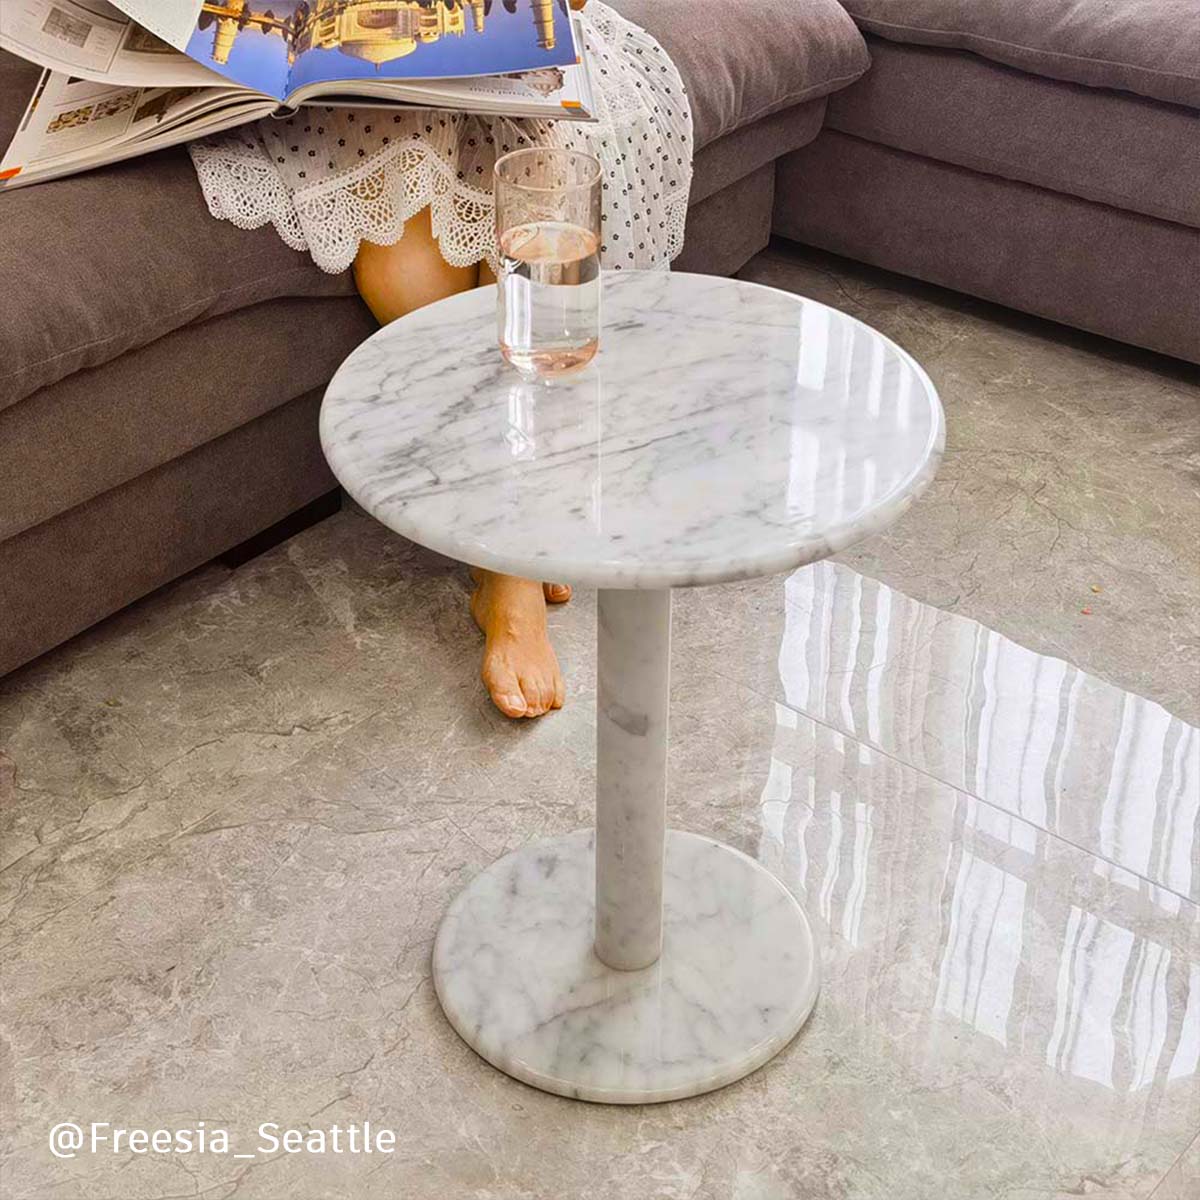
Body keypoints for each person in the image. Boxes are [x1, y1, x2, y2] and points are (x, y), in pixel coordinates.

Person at [188, 0, 693, 718]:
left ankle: (509, 570)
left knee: (540, 233)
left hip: (494, 47)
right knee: (412, 279)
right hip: (352, 66)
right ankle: (517, 543)